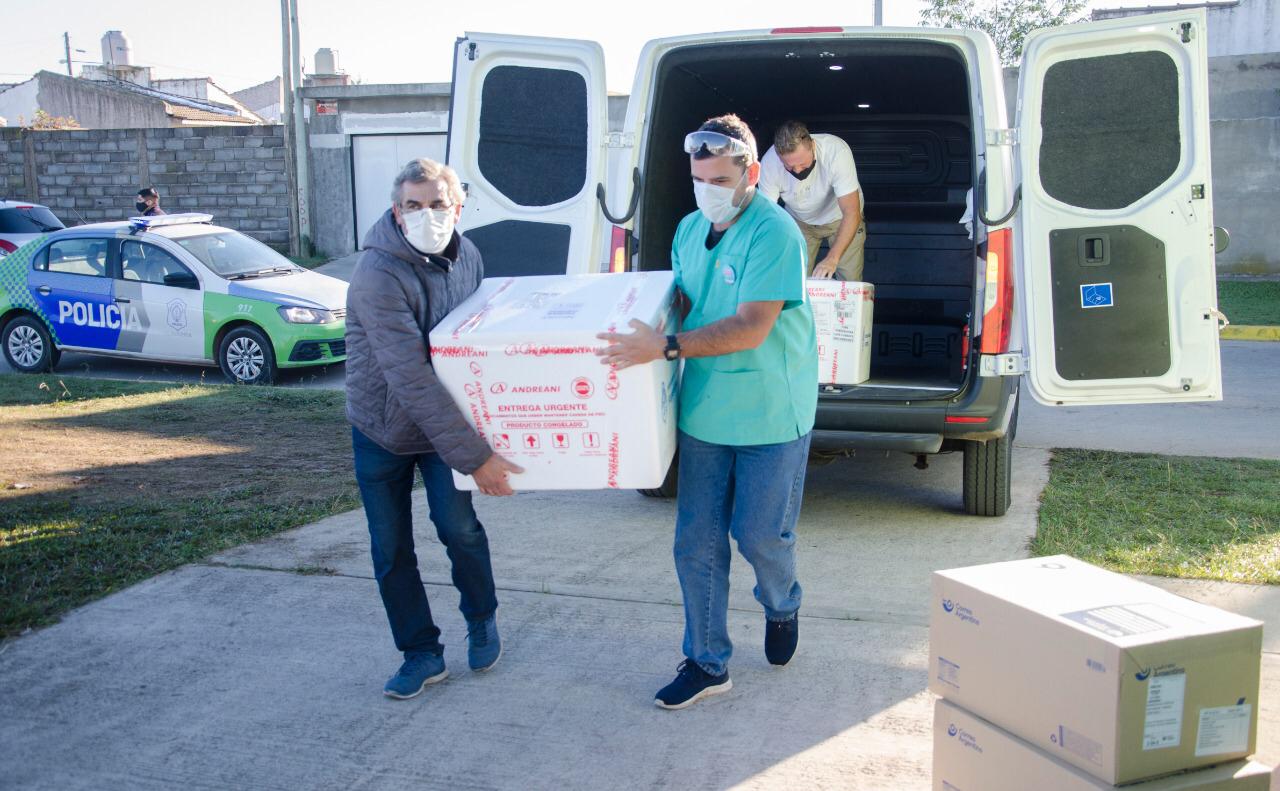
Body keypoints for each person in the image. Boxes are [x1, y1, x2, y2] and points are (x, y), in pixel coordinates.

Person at [597, 114, 818, 710]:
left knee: (758, 535)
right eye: (700, 178)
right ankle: (706, 660)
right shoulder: (690, 229)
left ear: (749, 171)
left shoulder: (775, 232)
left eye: (720, 178)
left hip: (772, 410)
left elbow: (750, 327)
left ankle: (782, 602)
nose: (708, 190)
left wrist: (665, 346)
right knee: (695, 541)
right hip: (706, 410)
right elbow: (685, 301)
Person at [345, 157, 524, 700]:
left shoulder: (467, 254)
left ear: (458, 207)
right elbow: (411, 378)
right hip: (382, 427)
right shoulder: (377, 275)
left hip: (441, 427)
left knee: (458, 528)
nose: (425, 215)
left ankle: (482, 615)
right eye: (412, 206)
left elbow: (474, 340)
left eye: (437, 205)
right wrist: (475, 456)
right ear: (396, 212)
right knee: (390, 546)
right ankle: (421, 652)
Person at [757, 121, 865, 281]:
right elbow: (768, 217)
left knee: (850, 281)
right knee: (795, 280)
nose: (797, 170)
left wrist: (832, 259)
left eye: (802, 163)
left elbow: (851, 212)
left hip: (841, 219)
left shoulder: (836, 151)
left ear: (812, 145)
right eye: (789, 166)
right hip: (799, 222)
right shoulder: (769, 163)